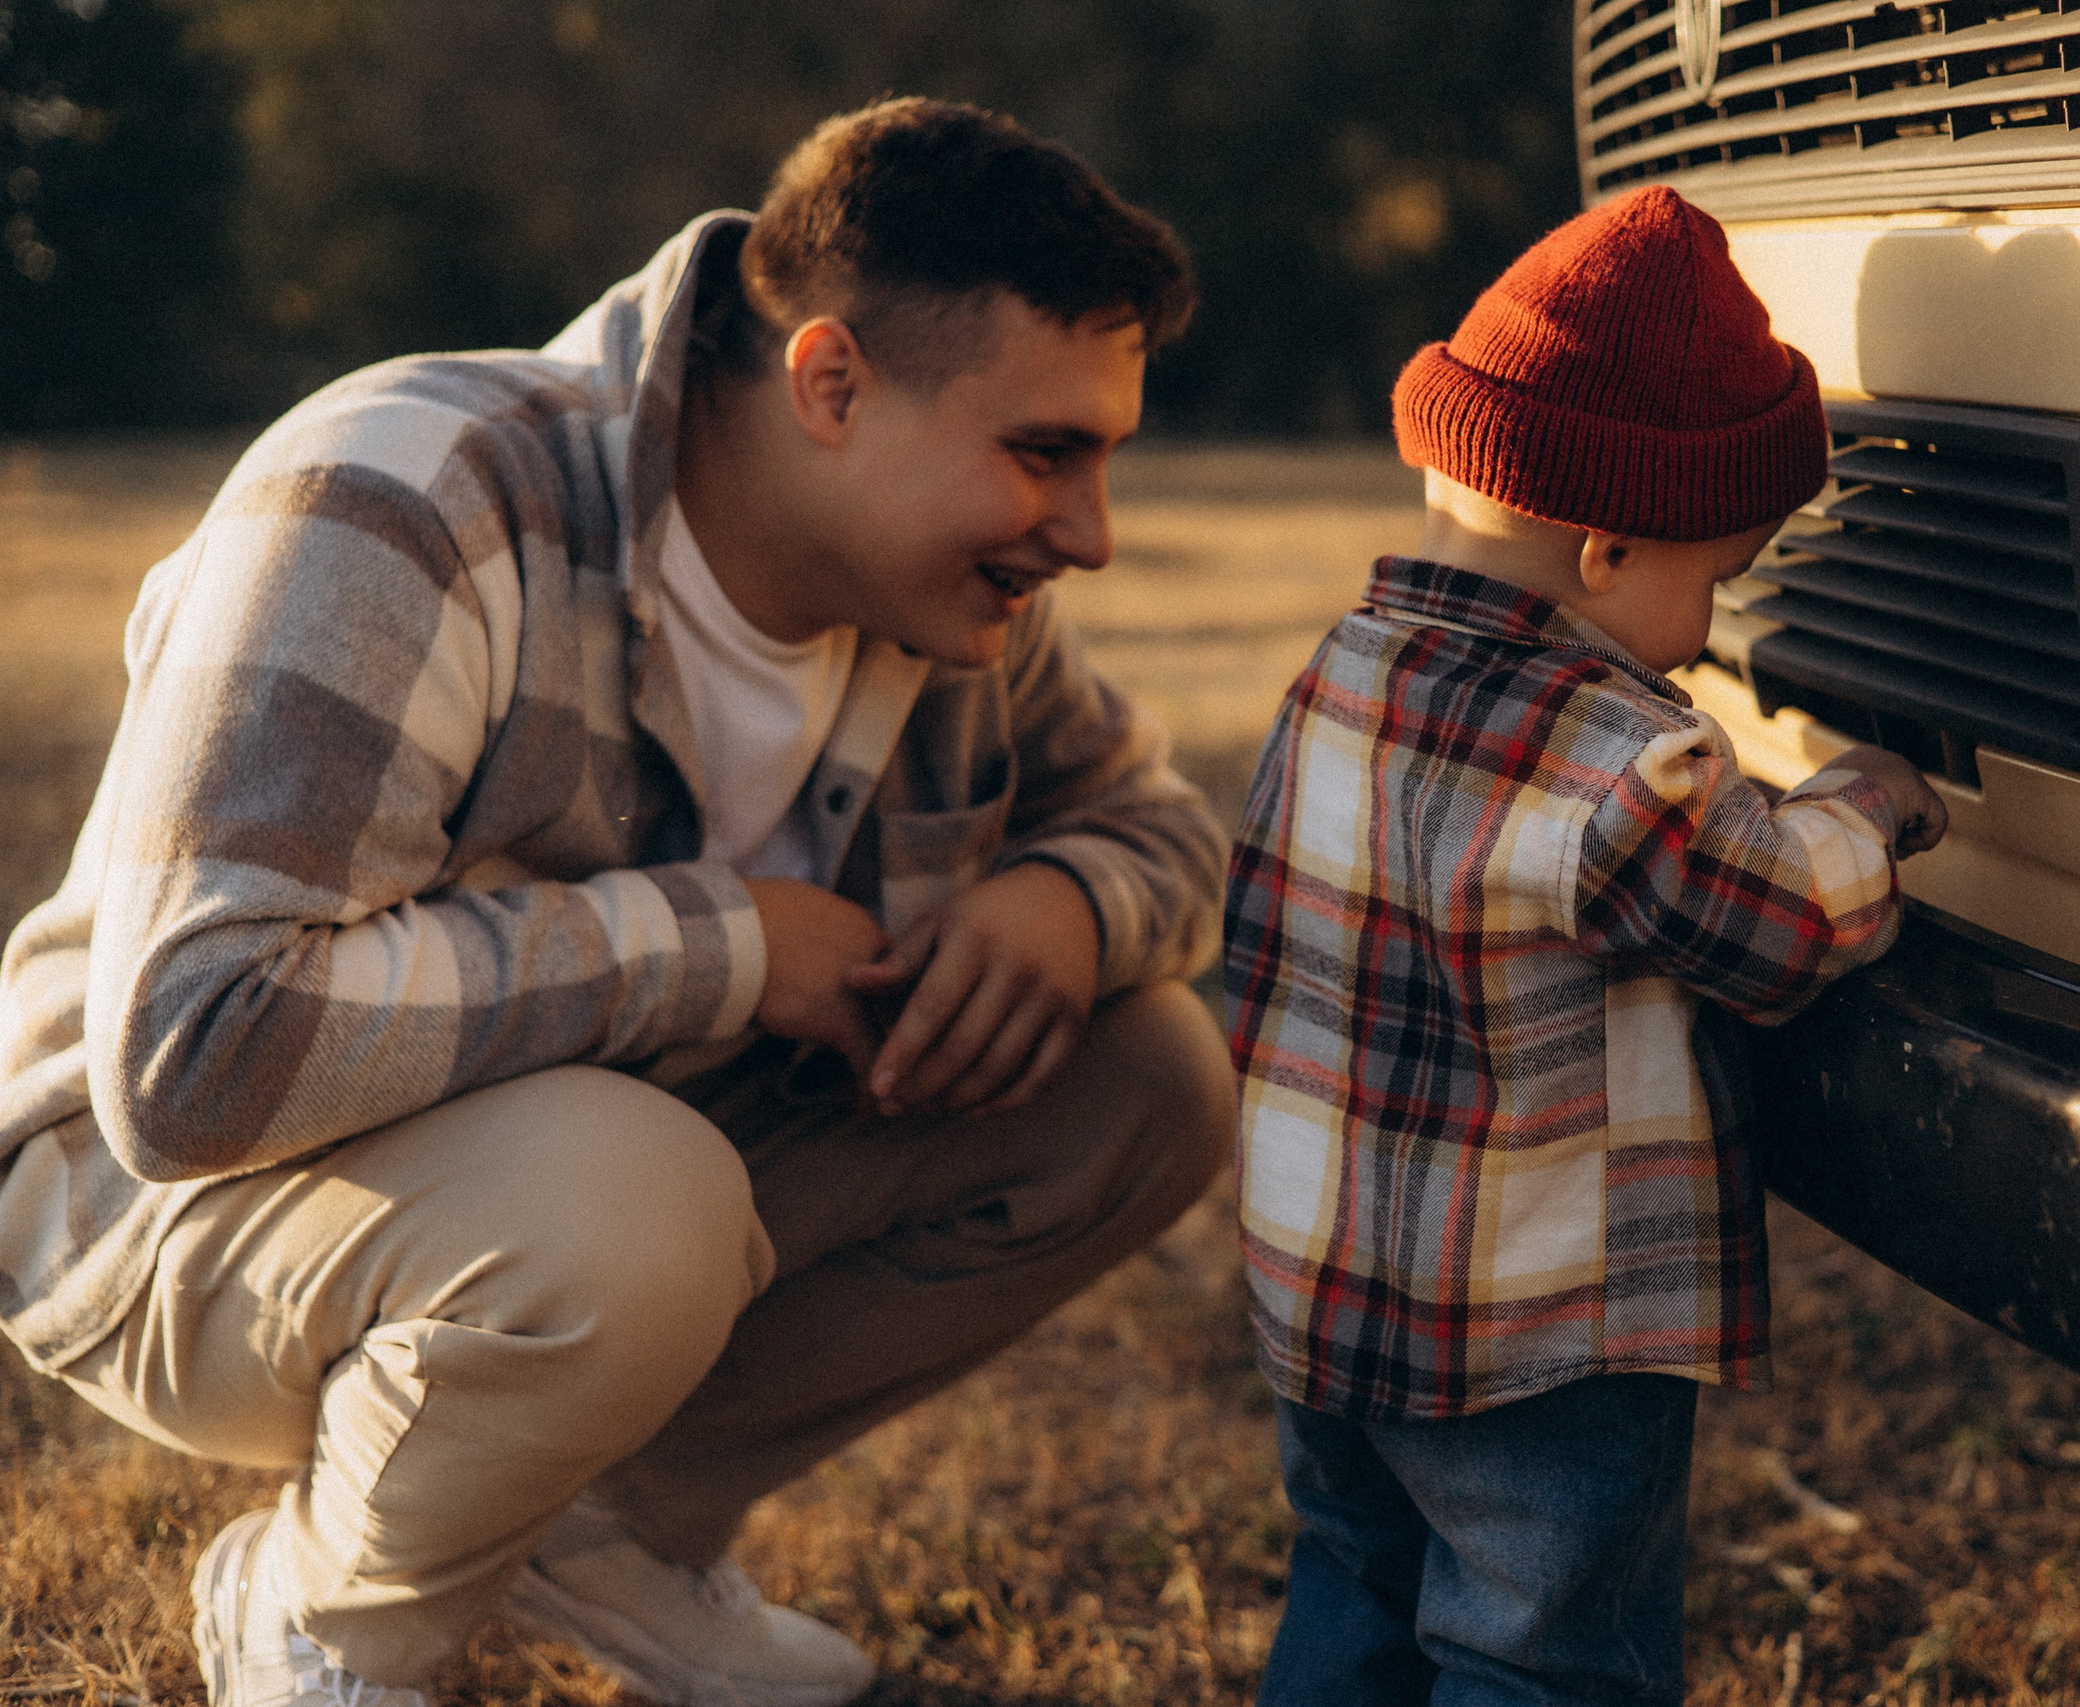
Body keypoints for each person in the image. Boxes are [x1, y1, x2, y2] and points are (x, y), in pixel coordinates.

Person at [0, 97, 1238, 1707]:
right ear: (833, 383)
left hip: (583, 1193)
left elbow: (1163, 826)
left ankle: (598, 1531)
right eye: (1043, 453)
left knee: (1142, 1075)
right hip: (159, 1220)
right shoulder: (406, 493)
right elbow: (195, 1052)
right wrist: (721, 947)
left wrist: (1068, 904)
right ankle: (324, 1619)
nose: (1089, 534)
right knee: (635, 1192)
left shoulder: (932, 605)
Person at [1223, 185, 1949, 1705]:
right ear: (1609, 550)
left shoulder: (1335, 677)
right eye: (1720, 573)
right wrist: (1863, 807)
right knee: (1538, 1650)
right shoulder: (1611, 761)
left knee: (1354, 1584)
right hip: (1532, 1342)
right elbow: (1781, 924)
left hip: (1322, 1292)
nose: (1710, 624)